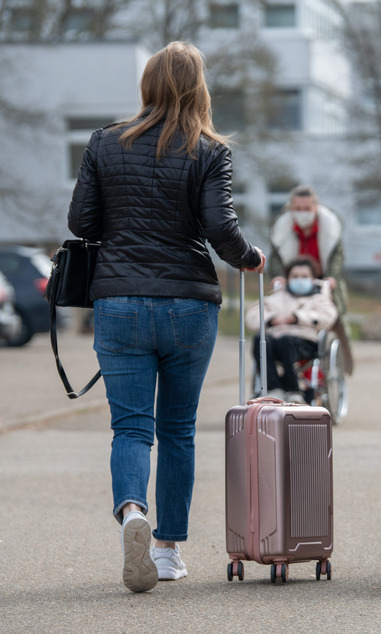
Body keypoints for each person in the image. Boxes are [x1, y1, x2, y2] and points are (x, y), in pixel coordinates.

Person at [67, 41, 266, 593]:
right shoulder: (209, 150)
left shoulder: (104, 142)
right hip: (187, 304)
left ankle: (132, 510)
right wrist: (249, 257)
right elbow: (219, 226)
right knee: (178, 429)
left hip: (119, 302)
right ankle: (168, 550)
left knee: (131, 427)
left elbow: (82, 221)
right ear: (198, 88)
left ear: (147, 84)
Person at [246, 257, 338, 402]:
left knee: (286, 341)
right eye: (295, 276)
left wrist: (297, 317)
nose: (299, 280)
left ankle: (293, 389)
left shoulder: (319, 298)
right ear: (288, 279)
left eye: (304, 276)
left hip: (305, 341)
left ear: (313, 279)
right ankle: (273, 388)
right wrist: (271, 319)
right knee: (260, 340)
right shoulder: (278, 297)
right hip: (275, 339)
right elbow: (253, 314)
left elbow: (328, 316)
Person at [270, 185, 348, 315]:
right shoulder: (281, 230)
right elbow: (276, 256)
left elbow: (337, 256)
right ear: (291, 208)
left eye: (307, 208)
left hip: (323, 282)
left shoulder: (331, 228)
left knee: (334, 315)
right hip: (294, 282)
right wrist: (279, 276)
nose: (302, 213)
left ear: (316, 206)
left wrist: (331, 277)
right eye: (298, 209)